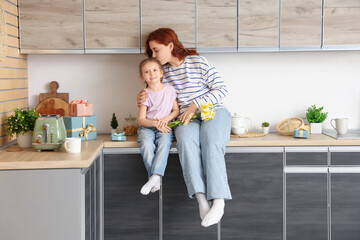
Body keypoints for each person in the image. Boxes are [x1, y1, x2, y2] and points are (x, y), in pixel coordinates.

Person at [137, 28, 232, 227]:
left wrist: (195, 104)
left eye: (156, 50)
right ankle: (201, 199)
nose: (153, 56)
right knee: (186, 144)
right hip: (184, 119)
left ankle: (219, 201)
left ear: (170, 46)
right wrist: (142, 97)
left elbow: (222, 89)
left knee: (211, 142)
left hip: (212, 111)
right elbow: (155, 93)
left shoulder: (198, 62)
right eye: (152, 52)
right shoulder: (163, 72)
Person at [137, 57, 180, 195]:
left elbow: (176, 111)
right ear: (142, 77)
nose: (152, 74)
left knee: (164, 144)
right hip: (148, 127)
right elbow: (141, 120)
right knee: (146, 144)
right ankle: (154, 178)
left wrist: (164, 120)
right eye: (147, 72)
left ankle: (155, 176)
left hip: (165, 126)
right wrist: (155, 123)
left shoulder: (169, 90)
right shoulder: (145, 94)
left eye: (155, 70)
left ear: (161, 73)